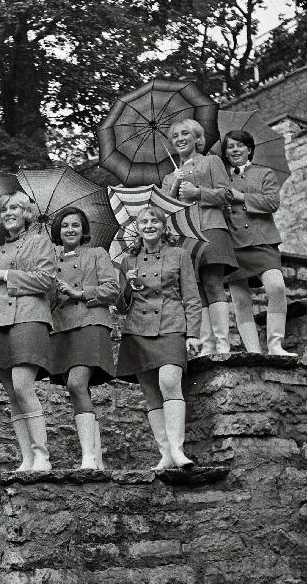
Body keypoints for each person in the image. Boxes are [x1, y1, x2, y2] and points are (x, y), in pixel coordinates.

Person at [0, 191, 57, 472]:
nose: (9, 213)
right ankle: (27, 458)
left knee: (23, 385)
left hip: (29, 317)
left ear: (26, 213)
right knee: (11, 393)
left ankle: (42, 455)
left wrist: (5, 275)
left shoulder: (40, 242)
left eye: (15, 208)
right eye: (5, 210)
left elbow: (46, 281)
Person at [115, 207, 202, 471]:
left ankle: (177, 449)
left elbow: (192, 298)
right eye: (144, 222)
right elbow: (120, 306)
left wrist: (193, 333)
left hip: (171, 325)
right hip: (138, 330)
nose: (149, 225)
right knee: (151, 394)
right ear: (138, 228)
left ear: (164, 227)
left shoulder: (179, 255)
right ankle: (165, 453)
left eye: (155, 221)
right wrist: (127, 285)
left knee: (169, 381)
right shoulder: (129, 262)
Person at [48, 207, 119, 469]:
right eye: (65, 225)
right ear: (58, 230)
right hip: (61, 328)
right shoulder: (50, 259)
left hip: (90, 323)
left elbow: (112, 289)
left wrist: (78, 292)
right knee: (77, 389)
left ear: (83, 230)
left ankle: (89, 456)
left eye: (75, 225)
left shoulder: (97, 254)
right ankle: (95, 459)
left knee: (76, 384)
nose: (70, 230)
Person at [162, 118, 237, 355]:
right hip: (184, 235)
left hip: (211, 227)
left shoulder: (211, 161)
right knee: (195, 289)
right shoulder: (168, 177)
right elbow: (163, 211)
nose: (180, 139)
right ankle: (207, 345)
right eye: (175, 136)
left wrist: (198, 192)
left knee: (213, 282)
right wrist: (174, 186)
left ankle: (223, 343)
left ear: (197, 138)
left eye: (185, 133)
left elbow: (227, 194)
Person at [220, 129, 297, 356]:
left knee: (276, 287)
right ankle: (253, 351)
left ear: (249, 149)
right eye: (230, 147)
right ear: (225, 152)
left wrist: (241, 197)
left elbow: (272, 202)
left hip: (262, 240)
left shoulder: (264, 174)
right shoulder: (220, 178)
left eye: (240, 145)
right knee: (241, 301)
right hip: (233, 243)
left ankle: (275, 345)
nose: (235, 150)